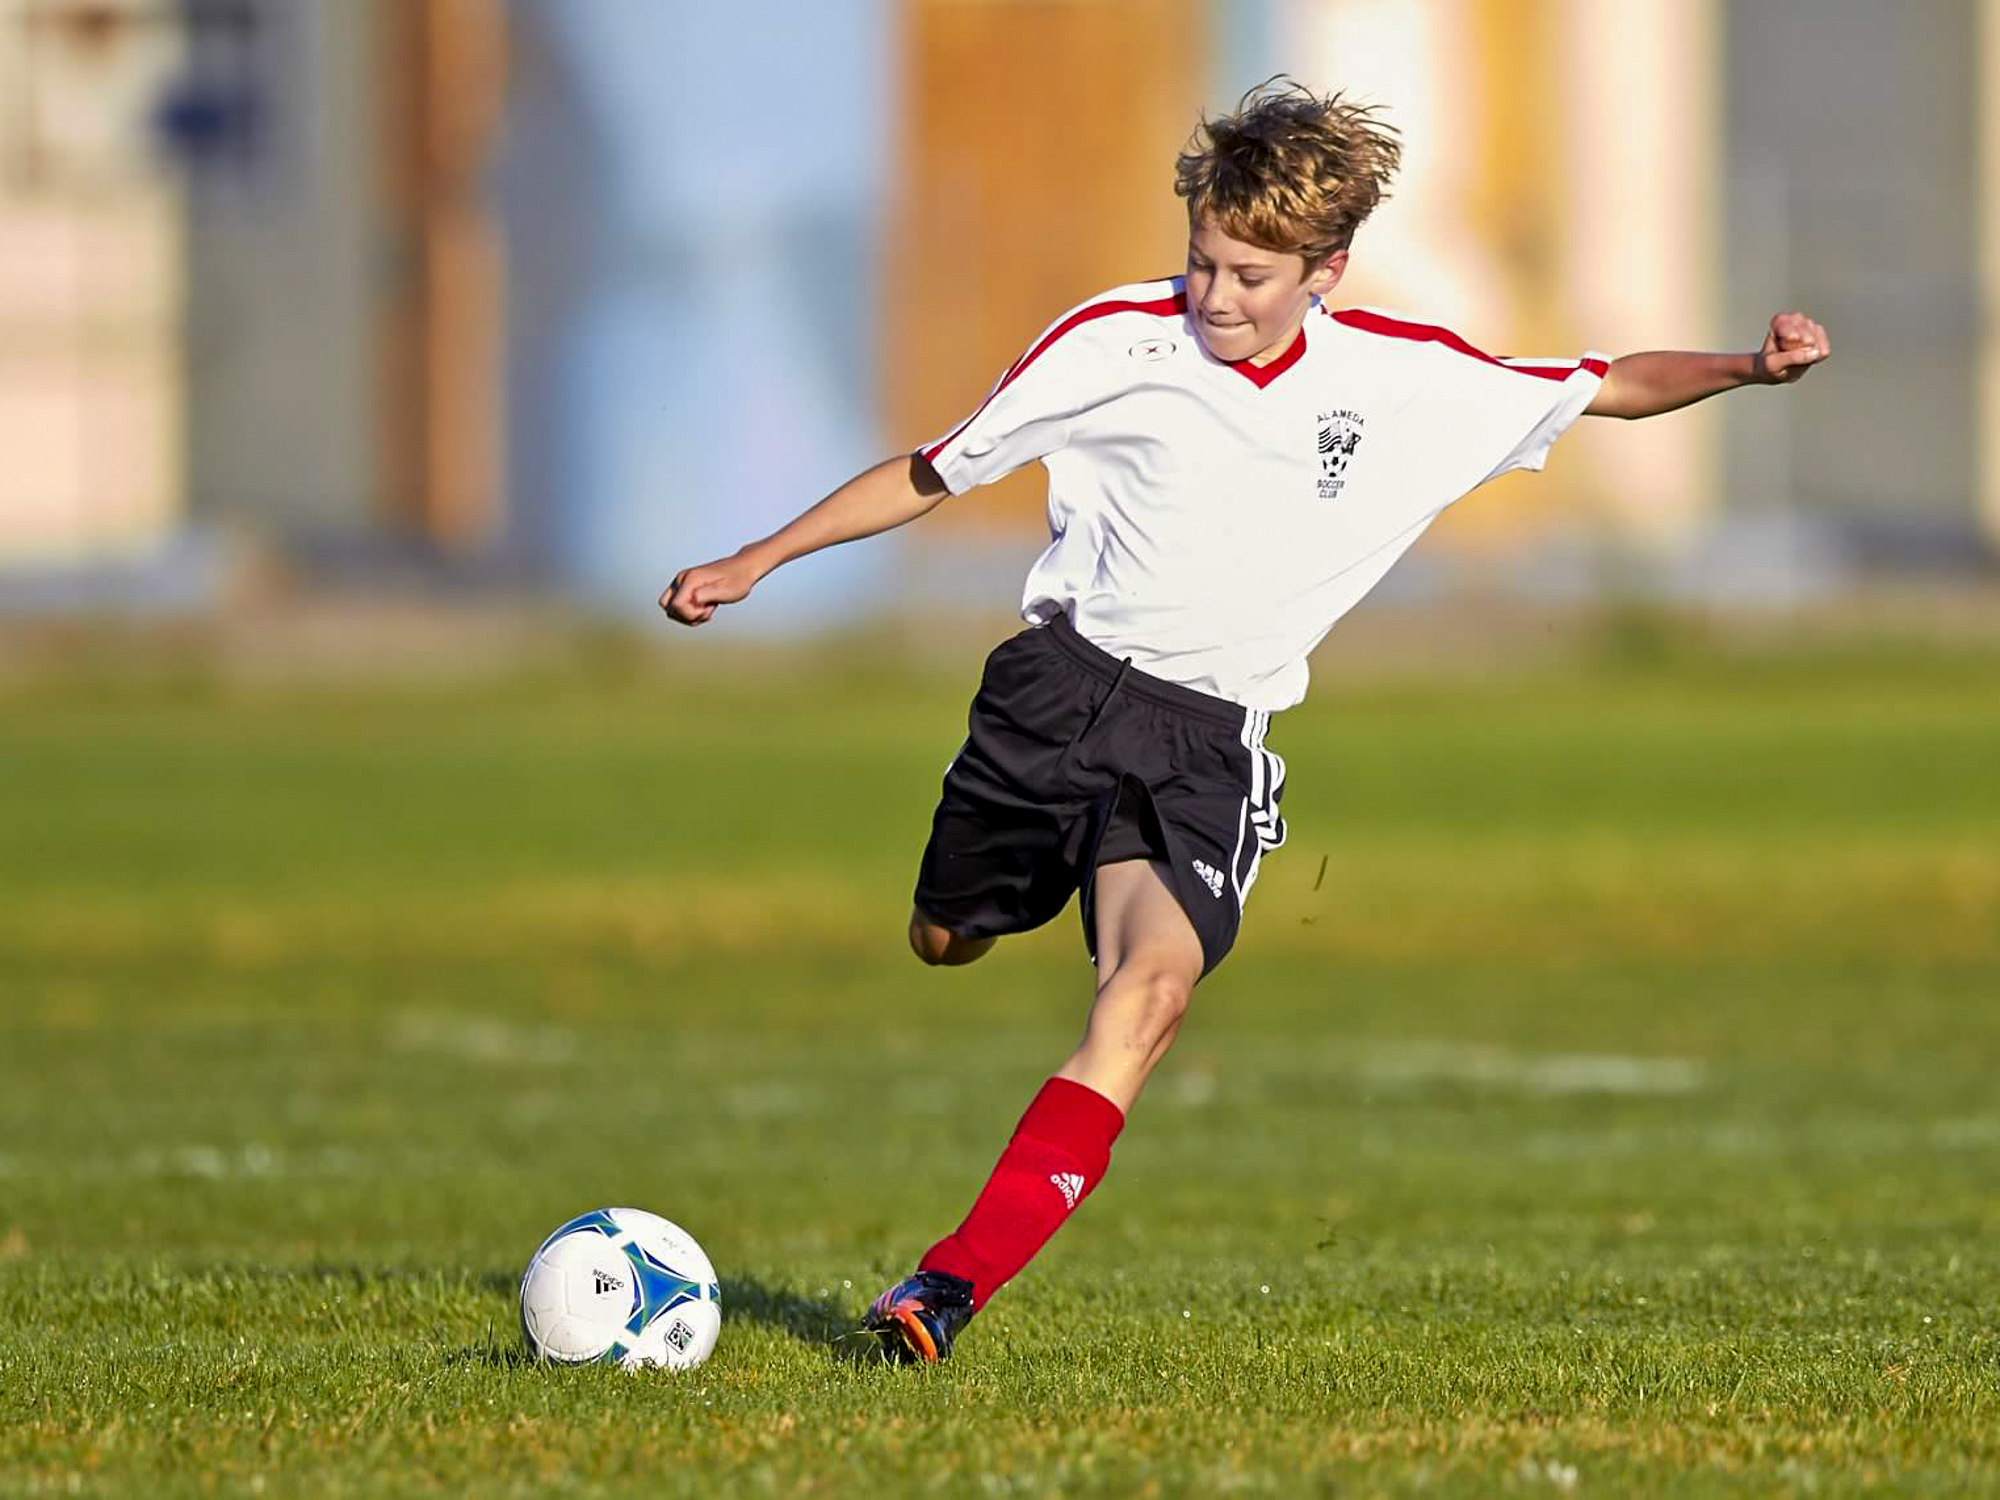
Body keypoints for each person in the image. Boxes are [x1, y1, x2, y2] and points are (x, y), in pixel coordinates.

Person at [661, 80, 1829, 1363]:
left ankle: (940, 1291)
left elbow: (1600, 384)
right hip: (1051, 698)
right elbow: (930, 471)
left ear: (1325, 271)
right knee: (943, 938)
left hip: (1204, 744)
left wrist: (1745, 368)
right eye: (1201, 263)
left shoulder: (1405, 379)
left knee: (1148, 996)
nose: (1215, 297)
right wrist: (754, 560)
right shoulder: (1110, 340)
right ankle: (1008, 892)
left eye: (1250, 276)